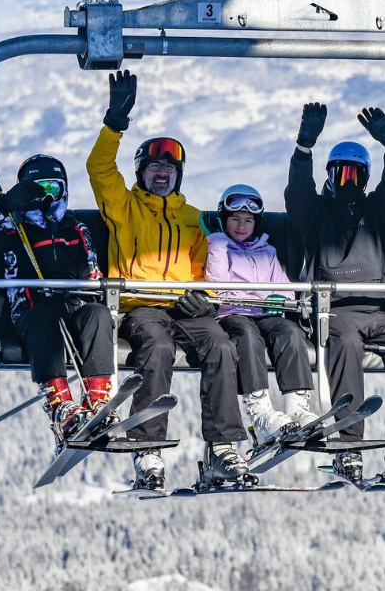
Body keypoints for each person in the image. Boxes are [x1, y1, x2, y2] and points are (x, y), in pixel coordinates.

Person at [86, 69, 247, 490]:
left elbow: (207, 267)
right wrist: (114, 124)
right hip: (141, 306)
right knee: (156, 348)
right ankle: (148, 448)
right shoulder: (124, 207)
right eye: (155, 166)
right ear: (141, 172)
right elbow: (99, 169)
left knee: (220, 344)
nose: (162, 174)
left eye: (169, 168)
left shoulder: (193, 217)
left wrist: (207, 299)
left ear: (179, 175)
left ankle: (223, 449)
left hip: (185, 305)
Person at [284, 102, 385, 485]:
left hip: (380, 310)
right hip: (335, 310)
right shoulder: (314, 215)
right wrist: (304, 148)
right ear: (330, 176)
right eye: (340, 174)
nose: (347, 182)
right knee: (345, 346)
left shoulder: (377, 213)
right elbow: (297, 192)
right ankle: (349, 445)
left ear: (364, 179)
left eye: (355, 175)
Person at [0, 155, 116, 450]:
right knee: (45, 321)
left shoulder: (76, 228)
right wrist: (5, 206)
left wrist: (82, 290)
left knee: (98, 314)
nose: (45, 198)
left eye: (52, 189)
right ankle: (62, 407)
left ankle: (97, 402)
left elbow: (91, 269)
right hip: (31, 311)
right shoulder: (11, 229)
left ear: (64, 191)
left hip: (74, 306)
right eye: (36, 190)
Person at [205, 184, 319, 444]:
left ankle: (297, 406)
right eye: (235, 219)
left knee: (290, 332)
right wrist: (219, 243)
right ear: (224, 220)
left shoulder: (267, 251)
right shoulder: (218, 248)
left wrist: (280, 299)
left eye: (248, 221)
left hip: (265, 312)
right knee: (247, 336)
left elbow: (283, 286)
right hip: (233, 313)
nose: (242, 226)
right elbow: (216, 283)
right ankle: (261, 411)